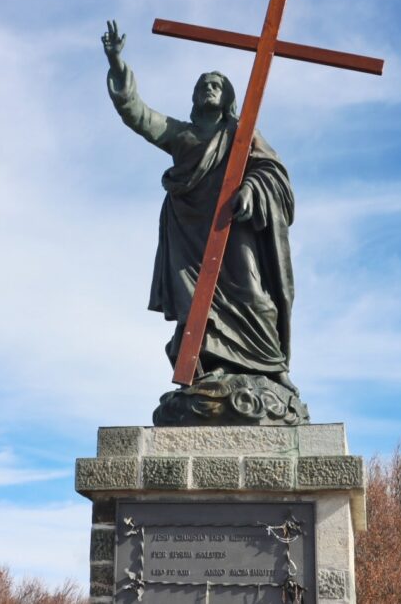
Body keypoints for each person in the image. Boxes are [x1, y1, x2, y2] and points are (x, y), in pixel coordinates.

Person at [102, 20, 297, 393]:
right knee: (197, 310)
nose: (209, 89)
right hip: (191, 233)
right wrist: (117, 65)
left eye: (216, 85)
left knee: (256, 297)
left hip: (233, 224)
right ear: (195, 97)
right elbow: (139, 115)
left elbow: (273, 172)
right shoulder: (183, 135)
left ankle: (272, 370)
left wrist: (251, 190)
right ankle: (201, 374)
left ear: (226, 97)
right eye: (203, 85)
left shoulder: (242, 135)